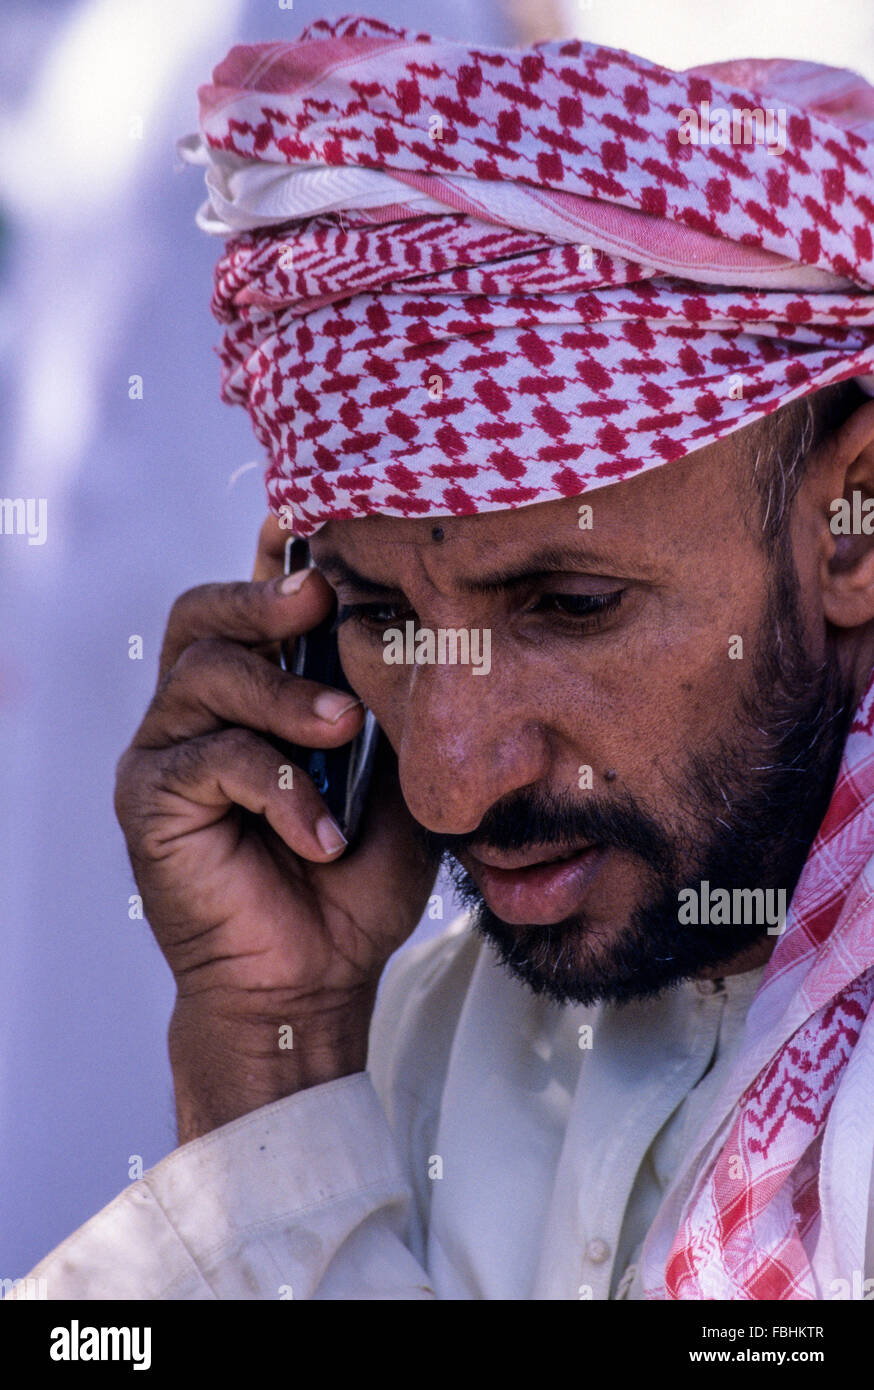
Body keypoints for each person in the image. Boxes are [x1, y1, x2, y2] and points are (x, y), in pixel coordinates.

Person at [16, 15, 874, 1300]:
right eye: (383, 620)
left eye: (569, 604)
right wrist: (273, 1064)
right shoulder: (414, 1042)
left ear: (850, 524)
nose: (444, 785)